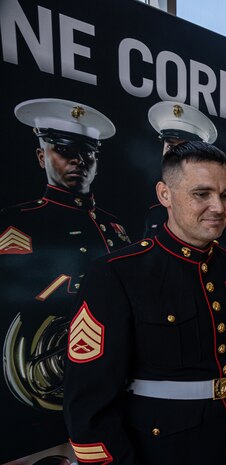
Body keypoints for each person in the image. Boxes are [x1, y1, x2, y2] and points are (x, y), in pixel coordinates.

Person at [63, 141, 226, 465]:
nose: (218, 207)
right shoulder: (117, 275)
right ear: (165, 195)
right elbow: (89, 411)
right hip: (167, 452)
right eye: (201, 194)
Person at [0, 98, 129, 460]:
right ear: (42, 157)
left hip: (106, 377)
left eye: (87, 152)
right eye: (62, 149)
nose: (77, 160)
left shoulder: (115, 226)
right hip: (35, 384)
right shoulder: (15, 223)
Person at [142, 100, 218, 237]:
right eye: (170, 147)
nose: (175, 156)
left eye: (185, 149)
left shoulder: (216, 209)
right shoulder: (153, 211)